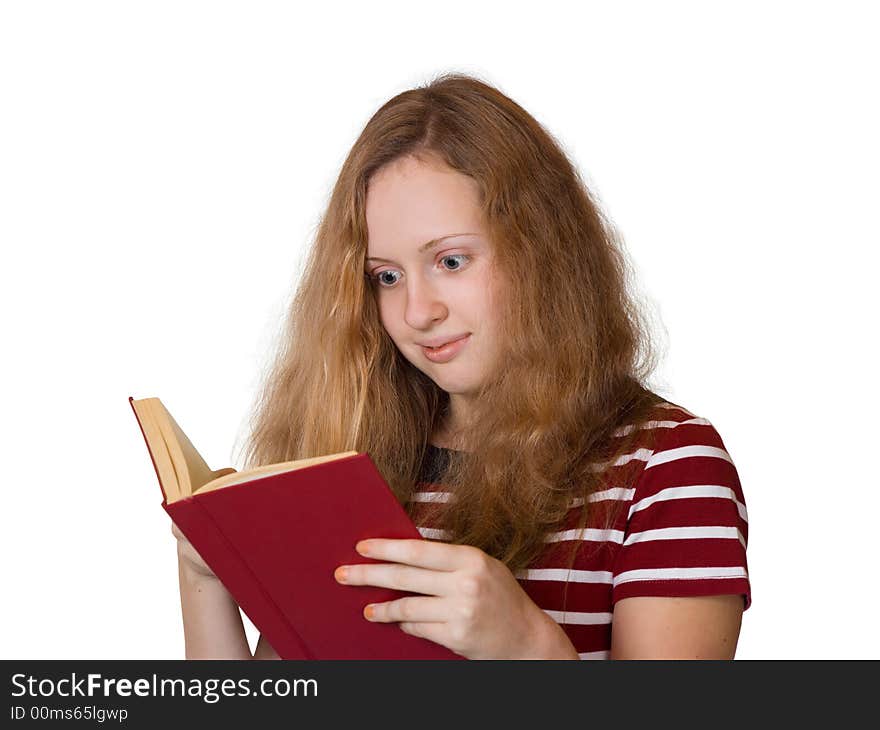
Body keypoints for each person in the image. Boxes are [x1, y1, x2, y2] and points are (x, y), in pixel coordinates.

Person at [172, 72, 751, 660]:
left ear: (543, 249)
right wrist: (206, 577)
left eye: (451, 260)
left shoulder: (667, 467)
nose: (418, 312)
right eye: (386, 277)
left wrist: (529, 647)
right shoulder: (357, 459)